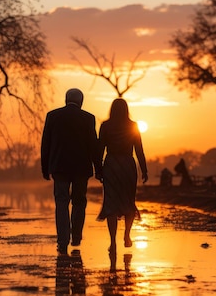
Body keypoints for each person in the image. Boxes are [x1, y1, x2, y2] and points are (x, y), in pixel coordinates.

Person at [41, 88, 101, 254]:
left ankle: (62, 241)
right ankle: (76, 237)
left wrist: (45, 168)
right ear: (81, 101)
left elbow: (45, 144)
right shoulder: (88, 118)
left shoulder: (53, 116)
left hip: (59, 167)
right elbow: (93, 145)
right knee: (79, 201)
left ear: (66, 99)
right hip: (81, 168)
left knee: (61, 202)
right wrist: (99, 168)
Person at [96, 98, 148, 253]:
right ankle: (127, 234)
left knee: (111, 202)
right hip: (127, 166)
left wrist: (98, 170)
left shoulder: (105, 126)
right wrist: (144, 170)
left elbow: (100, 149)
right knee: (128, 200)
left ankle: (113, 242)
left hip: (111, 164)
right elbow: (139, 149)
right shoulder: (133, 126)